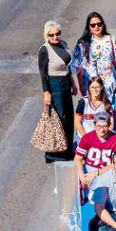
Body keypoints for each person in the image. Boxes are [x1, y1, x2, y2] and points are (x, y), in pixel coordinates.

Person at [39, 20, 76, 162]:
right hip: (55, 85)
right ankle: (56, 153)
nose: (55, 37)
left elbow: (67, 67)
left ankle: (67, 150)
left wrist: (72, 82)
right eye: (52, 35)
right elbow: (42, 73)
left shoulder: (64, 44)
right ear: (46, 35)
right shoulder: (44, 49)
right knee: (59, 119)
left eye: (57, 33)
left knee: (69, 117)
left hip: (65, 82)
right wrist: (46, 93)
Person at [73, 12, 116, 97]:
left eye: (99, 24)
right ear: (89, 27)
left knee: (108, 109)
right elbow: (79, 68)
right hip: (91, 86)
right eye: (93, 25)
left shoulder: (111, 39)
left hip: (109, 85)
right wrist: (81, 86)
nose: (96, 27)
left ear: (103, 25)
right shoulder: (83, 43)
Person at [74, 115, 116, 188]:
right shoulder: (87, 137)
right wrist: (82, 178)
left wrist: (96, 173)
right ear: (94, 125)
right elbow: (77, 159)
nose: (102, 130)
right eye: (99, 126)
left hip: (106, 171)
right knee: (70, 182)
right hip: (88, 168)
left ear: (109, 125)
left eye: (105, 126)